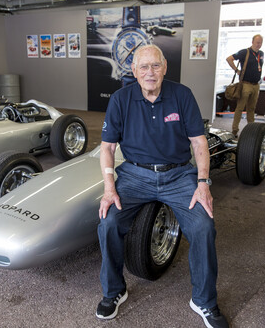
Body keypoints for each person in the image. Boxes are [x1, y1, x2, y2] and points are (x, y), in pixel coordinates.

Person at [96, 44, 228, 328]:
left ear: (164, 67)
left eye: (155, 66)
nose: (150, 72)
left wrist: (203, 183)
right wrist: (110, 187)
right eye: (143, 67)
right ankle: (114, 291)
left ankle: (204, 300)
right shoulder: (120, 99)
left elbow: (199, 143)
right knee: (108, 222)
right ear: (133, 71)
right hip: (134, 175)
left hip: (179, 175)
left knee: (204, 226)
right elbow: (107, 148)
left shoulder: (182, 95)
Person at [226, 34, 264, 137]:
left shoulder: (261, 53)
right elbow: (229, 59)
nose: (258, 44)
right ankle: (234, 130)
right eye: (257, 42)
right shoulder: (244, 52)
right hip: (245, 85)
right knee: (240, 107)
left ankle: (251, 129)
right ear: (252, 42)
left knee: (251, 109)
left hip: (256, 85)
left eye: (260, 42)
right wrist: (236, 70)